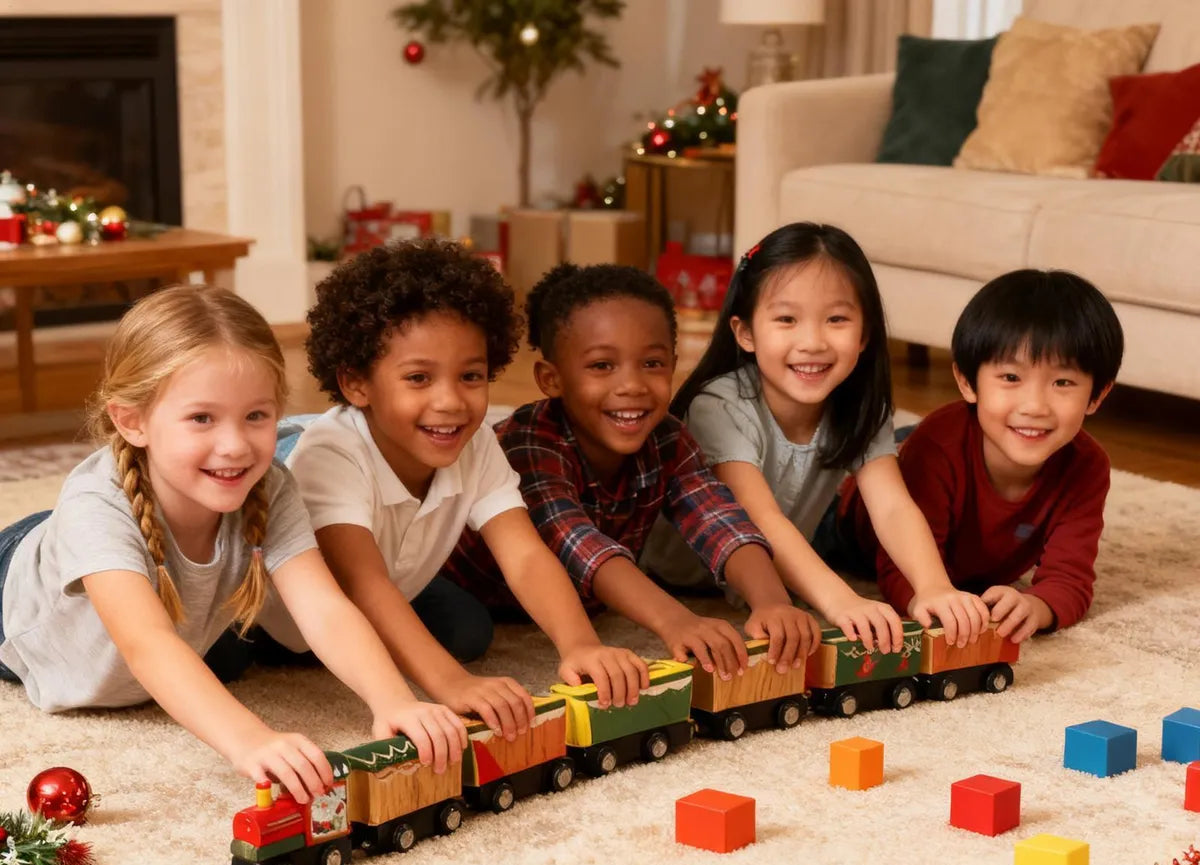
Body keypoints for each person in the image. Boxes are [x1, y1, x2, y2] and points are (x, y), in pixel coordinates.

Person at [0, 285, 466, 803]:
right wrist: (251, 741)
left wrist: (395, 702)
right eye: (202, 418)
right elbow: (147, 645)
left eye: (256, 416)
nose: (235, 445)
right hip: (19, 592)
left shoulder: (269, 486)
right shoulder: (96, 506)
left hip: (182, 596)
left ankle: (295, 435)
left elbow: (325, 607)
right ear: (131, 421)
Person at [285, 240, 649, 740]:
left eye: (471, 376)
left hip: (395, 581)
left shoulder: (474, 442)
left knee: (468, 630)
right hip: (276, 621)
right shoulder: (331, 453)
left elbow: (522, 551)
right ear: (356, 384)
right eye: (418, 378)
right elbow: (362, 584)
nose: (451, 401)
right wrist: (450, 683)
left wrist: (579, 644)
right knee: (226, 653)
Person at [444, 262, 820, 679]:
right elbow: (580, 543)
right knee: (465, 630)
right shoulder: (527, 443)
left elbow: (718, 518)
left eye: (652, 364)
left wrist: (770, 601)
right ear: (551, 379)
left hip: (581, 595)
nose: (633, 386)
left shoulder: (668, 437)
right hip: (472, 588)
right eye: (602, 366)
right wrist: (676, 620)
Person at [643, 222, 988, 652]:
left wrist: (934, 586)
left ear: (864, 334)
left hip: (782, 558)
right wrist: (841, 601)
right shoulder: (719, 405)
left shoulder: (860, 407)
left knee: (910, 445)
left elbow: (894, 508)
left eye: (837, 319)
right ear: (745, 332)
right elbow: (760, 518)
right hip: (677, 574)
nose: (812, 342)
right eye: (786, 319)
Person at [836, 268, 1121, 641]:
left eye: (1062, 383)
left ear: (1097, 395)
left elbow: (1070, 579)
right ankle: (899, 445)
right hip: (848, 524)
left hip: (967, 541)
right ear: (967, 382)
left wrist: (1036, 607)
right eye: (1011, 378)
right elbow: (899, 569)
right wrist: (934, 598)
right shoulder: (939, 446)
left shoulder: (1086, 466)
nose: (1034, 406)